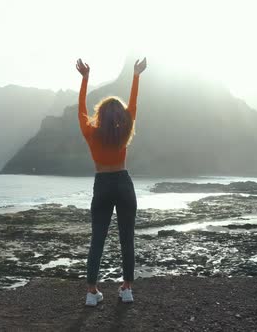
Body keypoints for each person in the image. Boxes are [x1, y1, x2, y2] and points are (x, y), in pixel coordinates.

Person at [75, 57, 147, 306]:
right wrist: (136, 75)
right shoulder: (125, 129)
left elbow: (81, 110)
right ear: (120, 118)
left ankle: (91, 292)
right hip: (124, 184)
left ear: (101, 114)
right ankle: (127, 289)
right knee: (127, 237)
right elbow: (134, 105)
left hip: (102, 184)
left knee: (98, 238)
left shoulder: (90, 133)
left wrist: (85, 79)